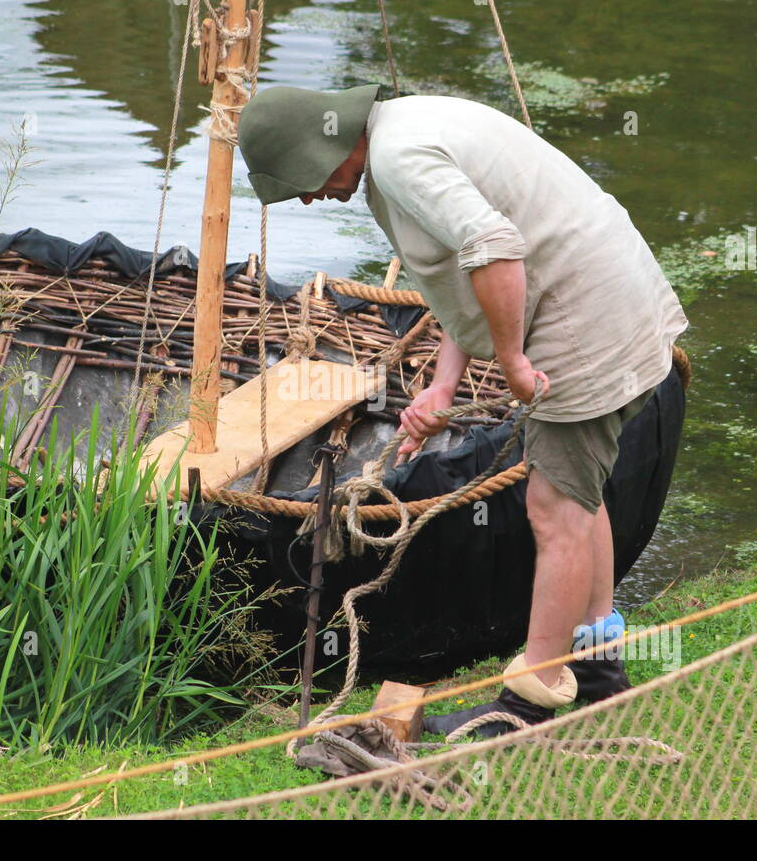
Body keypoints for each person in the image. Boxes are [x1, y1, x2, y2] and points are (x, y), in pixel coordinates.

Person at [237, 84, 688, 735]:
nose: (307, 196)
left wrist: (508, 361)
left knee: (553, 506)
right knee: (575, 487)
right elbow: (462, 271)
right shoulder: (401, 134)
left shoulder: (400, 158)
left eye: (303, 181)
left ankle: (532, 697)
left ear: (323, 145)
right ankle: (597, 666)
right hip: (604, 294)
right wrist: (444, 389)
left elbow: (495, 247)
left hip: (586, 315)